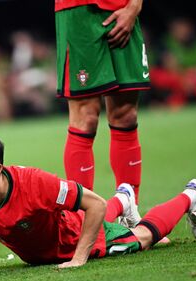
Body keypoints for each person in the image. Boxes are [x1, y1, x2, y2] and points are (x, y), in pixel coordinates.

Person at [0, 132, 196, 277]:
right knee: (98, 212)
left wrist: (78, 258)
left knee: (144, 238)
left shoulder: (35, 183)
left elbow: (95, 206)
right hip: (49, 245)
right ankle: (124, 199)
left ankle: (191, 195)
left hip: (73, 239)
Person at [55, 0, 149, 213]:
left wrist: (134, 7)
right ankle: (82, 221)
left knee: (126, 114)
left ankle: (130, 214)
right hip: (79, 11)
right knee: (85, 118)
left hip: (124, 10)